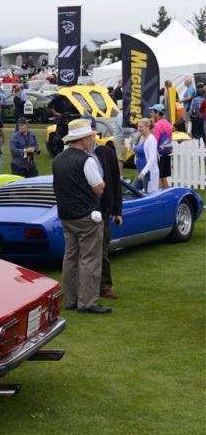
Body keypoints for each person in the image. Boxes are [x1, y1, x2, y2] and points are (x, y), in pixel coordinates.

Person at [51, 119, 109, 314]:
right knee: (90, 259)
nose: (92, 139)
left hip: (66, 215)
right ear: (83, 139)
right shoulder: (87, 160)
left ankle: (70, 299)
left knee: (71, 257)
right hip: (86, 215)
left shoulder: (58, 159)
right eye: (91, 136)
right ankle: (87, 302)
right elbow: (98, 187)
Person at [88, 118, 123, 301]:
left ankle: (104, 286)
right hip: (84, 208)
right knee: (83, 250)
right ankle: (86, 286)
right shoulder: (74, 153)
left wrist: (117, 210)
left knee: (102, 248)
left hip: (102, 207)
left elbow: (115, 182)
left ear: (95, 132)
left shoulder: (106, 152)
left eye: (92, 130)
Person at [132, 117, 159, 193]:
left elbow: (152, 157)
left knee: (149, 195)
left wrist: (144, 172)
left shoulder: (151, 139)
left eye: (141, 127)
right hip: (140, 172)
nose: (139, 128)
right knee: (134, 192)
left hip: (147, 174)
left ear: (147, 127)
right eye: (138, 126)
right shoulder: (142, 138)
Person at [149, 103, 172, 189]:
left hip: (158, 153)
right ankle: (167, 196)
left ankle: (160, 198)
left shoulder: (157, 125)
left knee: (158, 177)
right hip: (167, 152)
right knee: (164, 177)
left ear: (157, 113)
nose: (151, 114)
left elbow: (154, 141)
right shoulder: (168, 123)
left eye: (152, 112)